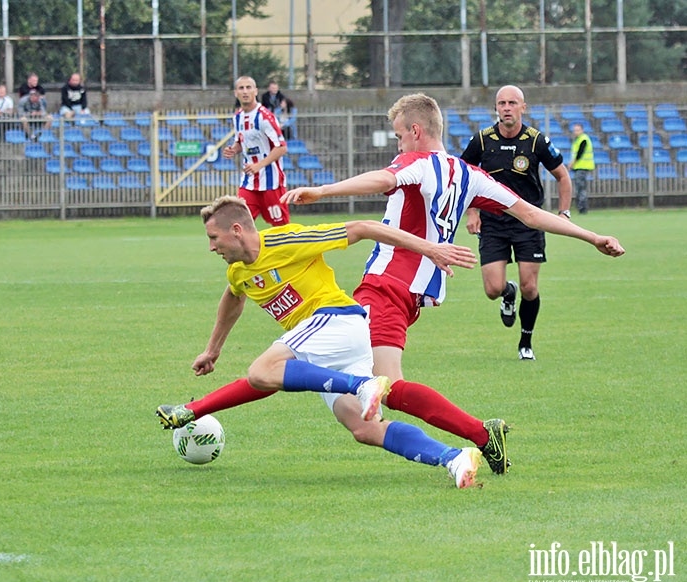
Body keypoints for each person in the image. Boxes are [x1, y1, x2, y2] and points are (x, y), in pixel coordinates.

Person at [281, 93, 625, 475]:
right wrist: (591, 236)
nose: (398, 146)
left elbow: (384, 178)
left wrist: (324, 191)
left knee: (380, 386)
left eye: (398, 138)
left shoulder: (418, 163)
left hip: (386, 285)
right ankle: (472, 438)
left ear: (415, 131)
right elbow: (530, 213)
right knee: (360, 412)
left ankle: (478, 436)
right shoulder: (469, 174)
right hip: (409, 294)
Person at [157, 196, 486, 489]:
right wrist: (213, 350)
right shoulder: (238, 271)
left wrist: (430, 249)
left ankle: (361, 386)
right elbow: (234, 298)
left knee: (262, 370)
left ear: (238, 230)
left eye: (214, 238)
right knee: (364, 428)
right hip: (325, 347)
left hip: (338, 321)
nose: (212, 247)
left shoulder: (286, 240)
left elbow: (362, 226)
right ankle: (455, 458)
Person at [460, 85, 574, 361]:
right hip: (493, 222)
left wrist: (564, 213)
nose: (506, 108)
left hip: (528, 222)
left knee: (530, 287)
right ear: (496, 108)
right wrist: (472, 212)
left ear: (523, 107)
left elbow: (563, 176)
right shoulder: (482, 141)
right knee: (492, 290)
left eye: (512, 103)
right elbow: (463, 177)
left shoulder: (536, 141)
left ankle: (526, 342)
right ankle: (506, 293)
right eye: (502, 103)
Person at [222, 76, 289, 227]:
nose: (245, 91)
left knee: (281, 228)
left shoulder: (265, 117)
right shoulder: (238, 117)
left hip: (271, 183)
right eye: (241, 88)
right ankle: (247, 251)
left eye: (248, 87)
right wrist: (233, 149)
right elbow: (242, 142)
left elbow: (282, 147)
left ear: (255, 91)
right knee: (239, 225)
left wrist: (259, 165)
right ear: (235, 93)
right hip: (249, 183)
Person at [568, 123, 594, 214]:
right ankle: (581, 207)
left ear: (582, 130)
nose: (576, 132)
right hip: (579, 166)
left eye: (577, 130)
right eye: (574, 130)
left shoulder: (583, 139)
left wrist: (572, 163)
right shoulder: (578, 139)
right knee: (579, 188)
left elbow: (579, 153)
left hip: (582, 166)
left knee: (581, 188)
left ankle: (583, 208)